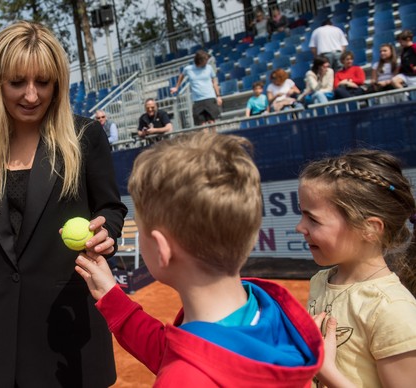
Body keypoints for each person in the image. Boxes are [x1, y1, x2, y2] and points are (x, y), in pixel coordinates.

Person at [0, 21, 127, 387]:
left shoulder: (85, 136)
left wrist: (105, 232)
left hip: (69, 325)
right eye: (17, 83)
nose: (31, 96)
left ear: (57, 82)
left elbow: (111, 209)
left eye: (43, 82)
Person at [74, 132, 324, 386]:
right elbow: (176, 352)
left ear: (162, 249)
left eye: (140, 228)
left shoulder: (182, 380)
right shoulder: (269, 310)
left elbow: (186, 366)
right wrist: (112, 297)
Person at [296, 149, 416, 387]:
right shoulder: (321, 280)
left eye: (313, 219)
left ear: (369, 229)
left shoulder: (393, 310)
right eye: (302, 216)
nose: (300, 227)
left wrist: (328, 372)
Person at [170, 50, 223, 128]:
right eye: (205, 60)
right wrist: (177, 87)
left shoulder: (209, 68)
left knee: (212, 122)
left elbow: (214, 82)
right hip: (197, 100)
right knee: (202, 125)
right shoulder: (188, 69)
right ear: (199, 60)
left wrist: (218, 96)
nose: (207, 61)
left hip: (209, 98)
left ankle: (213, 139)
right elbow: (182, 75)